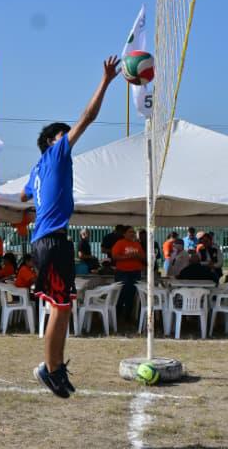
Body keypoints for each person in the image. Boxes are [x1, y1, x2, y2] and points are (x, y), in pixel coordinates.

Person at [21, 56, 120, 397]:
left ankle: (55, 368)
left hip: (47, 241)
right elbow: (87, 118)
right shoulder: (57, 154)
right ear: (53, 141)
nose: (68, 137)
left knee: (61, 306)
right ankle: (49, 370)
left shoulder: (37, 170)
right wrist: (106, 80)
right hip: (51, 241)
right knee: (60, 307)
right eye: (63, 135)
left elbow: (23, 196)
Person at [111, 227, 146, 321]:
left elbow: (143, 257)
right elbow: (115, 256)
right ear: (124, 234)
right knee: (121, 293)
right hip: (122, 272)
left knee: (132, 293)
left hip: (135, 272)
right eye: (130, 232)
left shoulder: (137, 244)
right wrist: (129, 256)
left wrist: (138, 256)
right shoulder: (120, 243)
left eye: (133, 232)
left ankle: (128, 316)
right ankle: (117, 315)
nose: (132, 234)